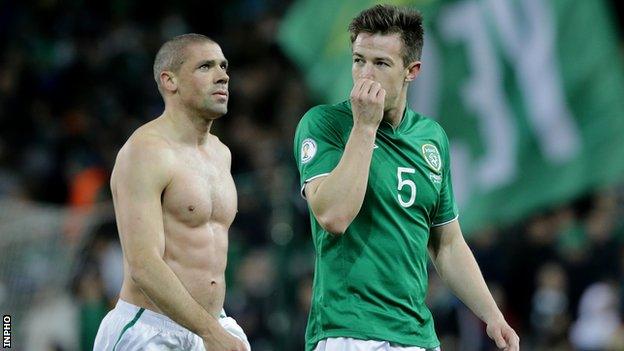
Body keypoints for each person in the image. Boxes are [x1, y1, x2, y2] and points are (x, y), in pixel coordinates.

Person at [293, 5, 519, 351]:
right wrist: (365, 127)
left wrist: (492, 316)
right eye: (358, 60)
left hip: (417, 336)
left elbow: (447, 243)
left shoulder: (431, 138)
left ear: (411, 71)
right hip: (348, 332)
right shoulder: (324, 124)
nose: (365, 74)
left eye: (381, 63)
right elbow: (333, 216)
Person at [93, 33, 249, 351]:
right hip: (149, 328)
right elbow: (143, 266)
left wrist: (214, 328)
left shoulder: (222, 153)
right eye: (206, 66)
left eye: (223, 66)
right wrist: (211, 332)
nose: (223, 76)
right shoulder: (145, 151)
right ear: (170, 81)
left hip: (212, 322)